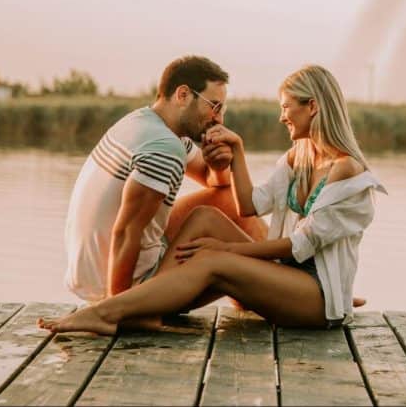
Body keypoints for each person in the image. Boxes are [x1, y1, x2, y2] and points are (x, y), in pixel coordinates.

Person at [41, 63, 385, 333]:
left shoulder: (346, 170)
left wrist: (226, 250)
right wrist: (237, 151)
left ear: (311, 106)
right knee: (204, 219)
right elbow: (249, 205)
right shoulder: (300, 156)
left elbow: (300, 245)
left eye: (286, 107)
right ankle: (137, 307)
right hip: (292, 279)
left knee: (212, 262)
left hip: (316, 297)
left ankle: (107, 313)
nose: (281, 116)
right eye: (215, 105)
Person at [63, 55, 267, 303]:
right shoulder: (164, 148)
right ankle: (277, 285)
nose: (219, 118)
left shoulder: (144, 124)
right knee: (230, 263)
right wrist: (117, 309)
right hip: (123, 284)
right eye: (213, 106)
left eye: (222, 109)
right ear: (182, 95)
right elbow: (127, 232)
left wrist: (219, 164)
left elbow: (216, 183)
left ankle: (261, 288)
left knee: (228, 200)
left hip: (89, 274)